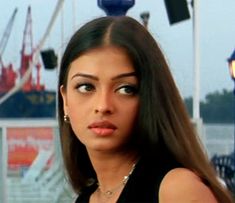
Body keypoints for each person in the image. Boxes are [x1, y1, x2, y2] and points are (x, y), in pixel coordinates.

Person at [58, 16, 233, 203]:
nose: (103, 106)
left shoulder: (176, 190)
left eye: (126, 89)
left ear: (150, 98)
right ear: (65, 99)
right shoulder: (86, 199)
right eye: (86, 87)